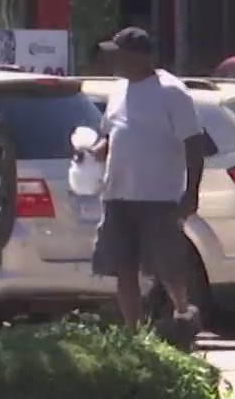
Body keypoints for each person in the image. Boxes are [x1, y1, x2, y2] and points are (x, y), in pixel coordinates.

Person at [84, 27, 207, 334]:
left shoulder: (172, 91)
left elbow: (194, 144)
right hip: (117, 194)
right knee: (123, 265)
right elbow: (110, 135)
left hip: (158, 196)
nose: (113, 60)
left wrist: (191, 192)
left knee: (168, 263)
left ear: (139, 56)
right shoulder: (118, 91)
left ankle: (182, 312)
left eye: (119, 54)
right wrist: (93, 152)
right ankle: (134, 332)